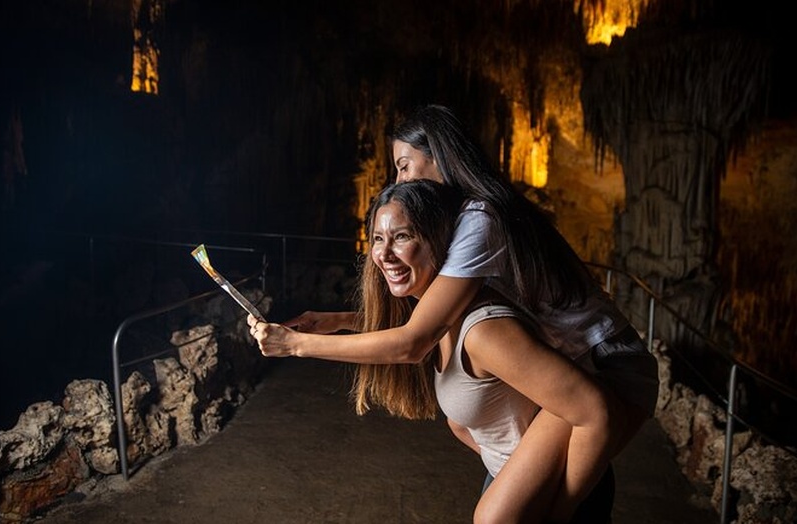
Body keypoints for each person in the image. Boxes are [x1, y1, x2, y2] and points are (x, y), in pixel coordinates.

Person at [249, 104, 659, 521]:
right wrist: (338, 320)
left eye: (405, 166)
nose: (400, 180)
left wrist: (297, 345)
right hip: (578, 364)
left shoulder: (480, 220)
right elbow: (430, 313)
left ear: (441, 156)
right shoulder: (474, 216)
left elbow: (414, 340)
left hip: (609, 363)